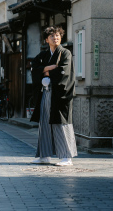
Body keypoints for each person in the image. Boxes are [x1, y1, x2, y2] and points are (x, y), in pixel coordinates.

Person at [29, 26, 77, 166]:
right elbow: (34, 67)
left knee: (61, 123)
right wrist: (47, 69)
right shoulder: (44, 55)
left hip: (60, 94)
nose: (55, 38)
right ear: (46, 39)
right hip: (46, 92)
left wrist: (44, 71)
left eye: (57, 35)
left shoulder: (65, 53)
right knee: (44, 123)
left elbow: (63, 71)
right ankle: (44, 155)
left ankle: (67, 157)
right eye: (52, 36)